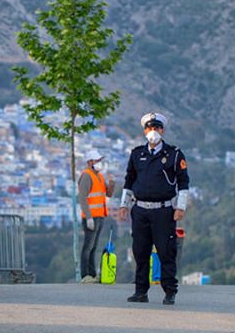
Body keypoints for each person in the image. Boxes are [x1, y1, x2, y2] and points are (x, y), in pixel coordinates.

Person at [119, 112, 189, 305]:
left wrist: (180, 207)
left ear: (162, 130)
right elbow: (129, 180)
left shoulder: (174, 154)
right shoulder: (137, 154)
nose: (153, 131)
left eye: (157, 128)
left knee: (166, 252)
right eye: (149, 128)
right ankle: (140, 291)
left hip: (163, 211)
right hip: (140, 210)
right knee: (140, 252)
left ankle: (170, 291)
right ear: (144, 131)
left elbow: (183, 182)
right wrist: (123, 205)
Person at [78, 149, 115, 284]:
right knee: (88, 247)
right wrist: (88, 217)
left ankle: (92, 274)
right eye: (97, 160)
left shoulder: (99, 176)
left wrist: (112, 183)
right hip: (91, 217)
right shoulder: (86, 176)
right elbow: (82, 198)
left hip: (99, 216)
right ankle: (85, 275)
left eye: (100, 160)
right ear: (89, 162)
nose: (99, 162)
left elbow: (108, 194)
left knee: (93, 247)